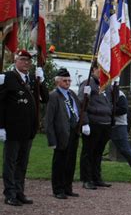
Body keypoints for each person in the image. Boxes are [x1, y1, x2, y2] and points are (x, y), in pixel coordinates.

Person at [0, 49, 49, 206]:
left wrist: (41, 81)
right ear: (15, 60)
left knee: (22, 163)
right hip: (13, 129)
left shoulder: (33, 80)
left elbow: (45, 98)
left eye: (28, 60)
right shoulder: (7, 78)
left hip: (28, 129)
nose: (26, 63)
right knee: (11, 162)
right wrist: (1, 126)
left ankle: (19, 191)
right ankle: (9, 193)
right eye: (22, 59)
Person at [45, 68, 81, 199]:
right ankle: (58, 189)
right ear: (57, 82)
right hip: (61, 133)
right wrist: (51, 139)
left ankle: (67, 187)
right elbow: (49, 120)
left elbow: (79, 108)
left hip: (73, 131)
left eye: (69, 80)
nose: (68, 83)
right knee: (59, 163)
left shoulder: (71, 94)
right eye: (65, 81)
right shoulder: (54, 96)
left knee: (70, 161)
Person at [78, 61, 113, 189]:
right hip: (93, 122)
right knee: (88, 152)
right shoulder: (87, 84)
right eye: (100, 69)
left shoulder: (106, 85)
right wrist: (85, 122)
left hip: (105, 123)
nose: (102, 71)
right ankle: (86, 179)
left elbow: (110, 102)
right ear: (93, 70)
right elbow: (82, 104)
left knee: (98, 153)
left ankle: (96, 177)